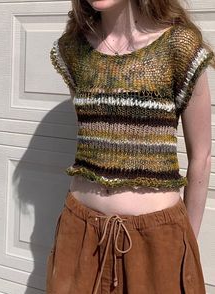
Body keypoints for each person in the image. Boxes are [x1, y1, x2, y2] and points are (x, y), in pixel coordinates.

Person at [47, 0, 215, 293]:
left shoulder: (180, 46)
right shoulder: (73, 50)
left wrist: (186, 242)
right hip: (81, 236)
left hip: (157, 241)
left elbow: (201, 156)